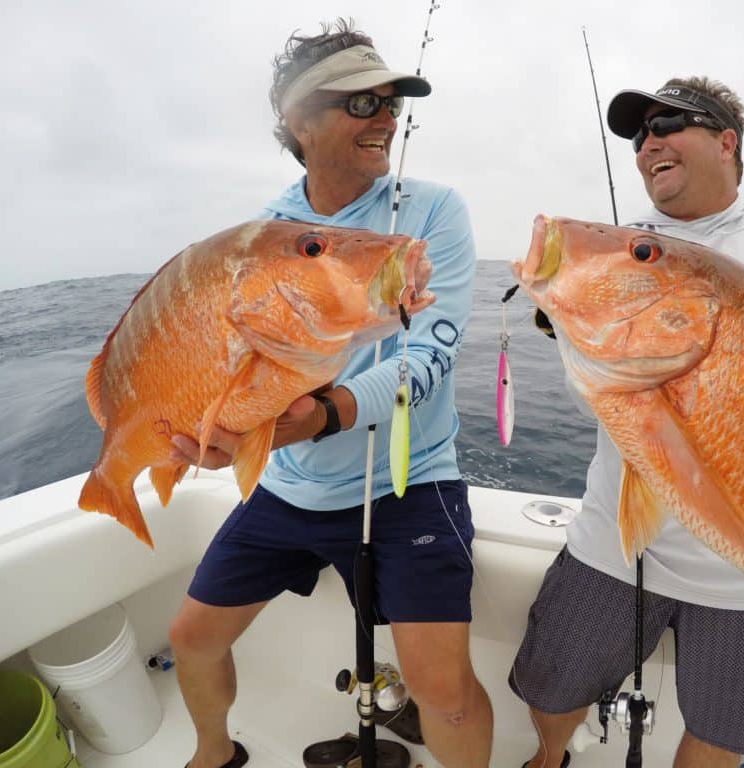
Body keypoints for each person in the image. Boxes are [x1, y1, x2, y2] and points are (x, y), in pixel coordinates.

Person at [510, 77, 744, 768]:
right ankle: (548, 758)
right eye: (639, 134)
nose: (648, 143)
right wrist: (563, 301)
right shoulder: (621, 246)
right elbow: (589, 362)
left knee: (723, 732)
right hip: (612, 542)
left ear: (726, 140)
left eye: (667, 124)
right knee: (550, 690)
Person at [165, 19, 492, 768]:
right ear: (297, 122)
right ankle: (213, 753)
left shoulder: (435, 212)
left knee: (442, 687)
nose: (385, 117)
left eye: (391, 104)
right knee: (189, 637)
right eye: (361, 103)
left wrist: (325, 415)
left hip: (408, 479)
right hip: (287, 487)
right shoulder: (268, 232)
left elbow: (432, 347)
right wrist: (222, 429)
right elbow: (232, 361)